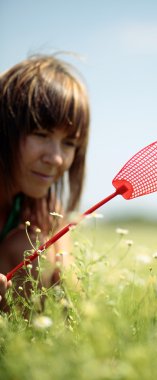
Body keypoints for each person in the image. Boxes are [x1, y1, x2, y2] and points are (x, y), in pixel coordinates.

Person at [0, 54, 90, 308]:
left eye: (69, 143)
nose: (57, 158)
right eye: (41, 134)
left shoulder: (44, 210)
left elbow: (73, 296)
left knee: (33, 250)